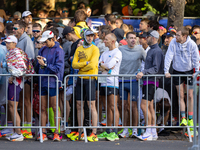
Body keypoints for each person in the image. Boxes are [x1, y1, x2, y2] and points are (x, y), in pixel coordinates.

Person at [164, 26, 199, 137]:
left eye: (178, 35)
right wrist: (166, 71)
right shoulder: (174, 42)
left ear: (184, 36)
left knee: (189, 95)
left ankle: (190, 118)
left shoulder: (192, 44)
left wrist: (196, 71)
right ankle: (183, 117)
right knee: (180, 95)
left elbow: (196, 58)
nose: (175, 37)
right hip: (177, 70)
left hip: (188, 71)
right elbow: (169, 56)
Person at [2, 35, 33, 141]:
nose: (7, 44)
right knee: (11, 106)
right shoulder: (12, 52)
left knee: (13, 107)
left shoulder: (16, 52)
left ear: (15, 43)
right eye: (6, 42)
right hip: (14, 81)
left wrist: (12, 77)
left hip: (16, 82)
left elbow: (21, 69)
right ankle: (16, 131)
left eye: (9, 42)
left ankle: (18, 133)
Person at [36, 30, 64, 141]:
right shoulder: (43, 49)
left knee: (54, 107)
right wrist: (40, 63)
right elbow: (40, 65)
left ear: (52, 39)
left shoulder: (59, 50)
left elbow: (58, 68)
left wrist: (45, 64)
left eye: (46, 41)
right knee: (43, 108)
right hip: (43, 81)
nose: (44, 44)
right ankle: (43, 132)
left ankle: (57, 132)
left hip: (53, 82)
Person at [72, 29, 99, 142]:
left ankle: (94, 132)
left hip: (91, 79)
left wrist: (81, 66)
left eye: (91, 36)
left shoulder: (95, 49)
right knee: (79, 105)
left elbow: (92, 65)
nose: (90, 38)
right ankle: (80, 131)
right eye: (88, 36)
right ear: (84, 36)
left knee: (91, 104)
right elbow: (74, 64)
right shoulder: (79, 48)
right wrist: (84, 63)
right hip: (80, 79)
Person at [136, 30, 164, 141]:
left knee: (144, 106)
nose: (146, 38)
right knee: (150, 107)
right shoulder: (153, 50)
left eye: (147, 37)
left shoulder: (156, 51)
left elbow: (156, 68)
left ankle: (148, 131)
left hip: (151, 81)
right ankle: (152, 132)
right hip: (150, 81)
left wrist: (143, 72)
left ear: (153, 38)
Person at [118, 32, 146, 138]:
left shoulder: (140, 50)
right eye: (131, 38)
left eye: (134, 38)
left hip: (134, 81)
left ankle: (135, 129)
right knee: (123, 106)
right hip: (122, 80)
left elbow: (148, 61)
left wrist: (142, 72)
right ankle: (125, 129)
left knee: (134, 106)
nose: (133, 40)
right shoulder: (121, 49)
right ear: (127, 39)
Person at [98, 33, 122, 141]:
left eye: (106, 39)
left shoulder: (117, 52)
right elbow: (98, 65)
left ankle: (115, 131)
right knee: (106, 107)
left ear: (112, 41)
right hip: (103, 81)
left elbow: (109, 65)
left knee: (113, 106)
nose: (104, 41)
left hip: (112, 82)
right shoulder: (104, 52)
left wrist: (104, 66)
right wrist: (104, 66)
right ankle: (108, 130)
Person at [13, 20, 35, 138]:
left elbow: (30, 59)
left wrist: (26, 75)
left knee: (27, 101)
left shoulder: (26, 40)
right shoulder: (17, 40)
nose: (13, 30)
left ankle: (28, 128)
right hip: (19, 76)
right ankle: (23, 126)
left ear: (22, 29)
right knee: (21, 101)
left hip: (26, 76)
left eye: (15, 28)